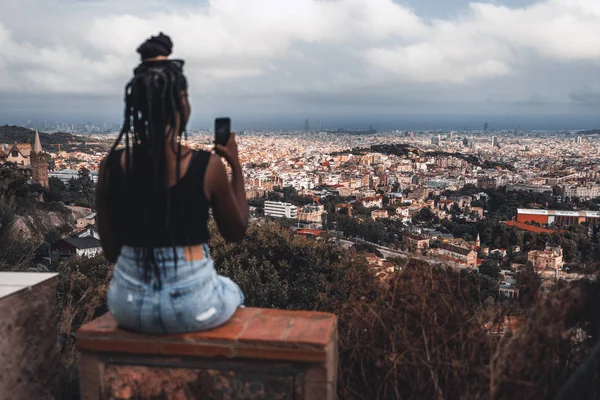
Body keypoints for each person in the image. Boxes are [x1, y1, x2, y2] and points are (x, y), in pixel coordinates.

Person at [95, 33, 248, 334]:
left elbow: (112, 252)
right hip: (193, 306)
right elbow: (235, 231)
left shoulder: (111, 166)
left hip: (127, 306)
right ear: (181, 104)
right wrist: (236, 165)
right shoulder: (208, 167)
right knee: (231, 290)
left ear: (135, 105)